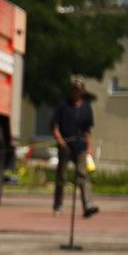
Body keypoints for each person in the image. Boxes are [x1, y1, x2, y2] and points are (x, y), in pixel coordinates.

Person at [50, 76, 99, 218]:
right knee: (62, 177)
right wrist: (60, 141)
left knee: (83, 175)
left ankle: (88, 205)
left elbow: (87, 129)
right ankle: (58, 205)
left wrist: (89, 147)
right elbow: (53, 125)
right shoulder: (63, 105)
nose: (76, 91)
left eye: (79, 89)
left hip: (81, 146)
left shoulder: (86, 107)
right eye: (74, 88)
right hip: (66, 146)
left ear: (83, 90)